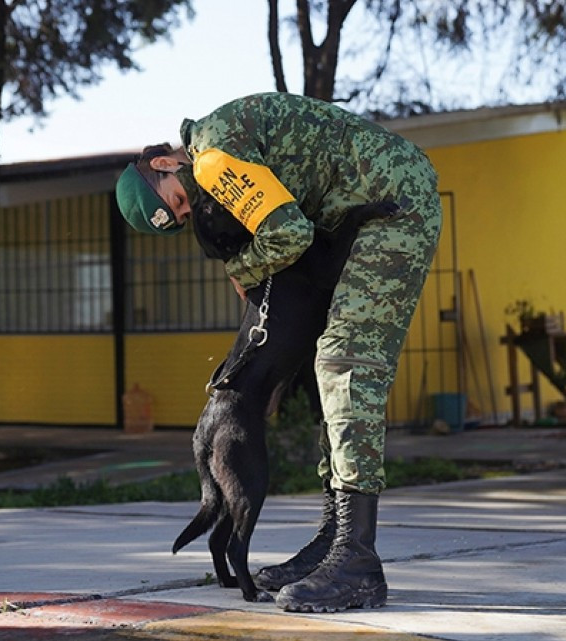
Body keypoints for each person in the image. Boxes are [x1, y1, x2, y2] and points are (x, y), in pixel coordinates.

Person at [114, 92, 441, 612]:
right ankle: (333, 540)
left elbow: (289, 233)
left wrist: (240, 272)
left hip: (391, 203)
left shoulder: (214, 159)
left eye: (177, 200)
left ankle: (356, 559)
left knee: (343, 361)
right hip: (372, 201)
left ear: (165, 163)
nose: (188, 209)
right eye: (179, 217)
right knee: (326, 365)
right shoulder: (217, 144)